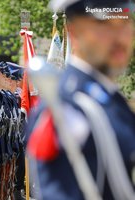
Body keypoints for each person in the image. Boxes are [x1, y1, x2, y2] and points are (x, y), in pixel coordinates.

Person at [26, 0, 135, 199]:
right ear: (74, 31)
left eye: (125, 22)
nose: (120, 37)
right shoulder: (68, 107)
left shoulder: (108, 97)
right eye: (105, 25)